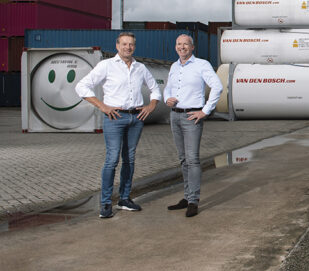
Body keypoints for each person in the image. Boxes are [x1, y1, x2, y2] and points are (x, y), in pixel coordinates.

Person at [75, 32, 160, 219]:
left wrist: (151, 106)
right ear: (117, 46)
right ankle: (106, 203)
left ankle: (124, 199)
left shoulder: (140, 68)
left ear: (134, 47)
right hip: (115, 118)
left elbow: (155, 89)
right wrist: (102, 106)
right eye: (124, 44)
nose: (127, 47)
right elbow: (81, 86)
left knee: (129, 159)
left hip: (136, 118)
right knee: (112, 160)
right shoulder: (106, 66)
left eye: (131, 44)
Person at [164, 34, 223, 217]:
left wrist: (205, 111)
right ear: (176, 47)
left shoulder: (201, 65)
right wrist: (167, 98)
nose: (182, 47)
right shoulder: (174, 66)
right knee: (183, 159)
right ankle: (187, 196)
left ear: (192, 47)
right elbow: (168, 88)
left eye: (185, 44)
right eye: (179, 44)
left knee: (192, 159)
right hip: (175, 116)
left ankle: (193, 201)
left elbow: (217, 86)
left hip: (192, 117)